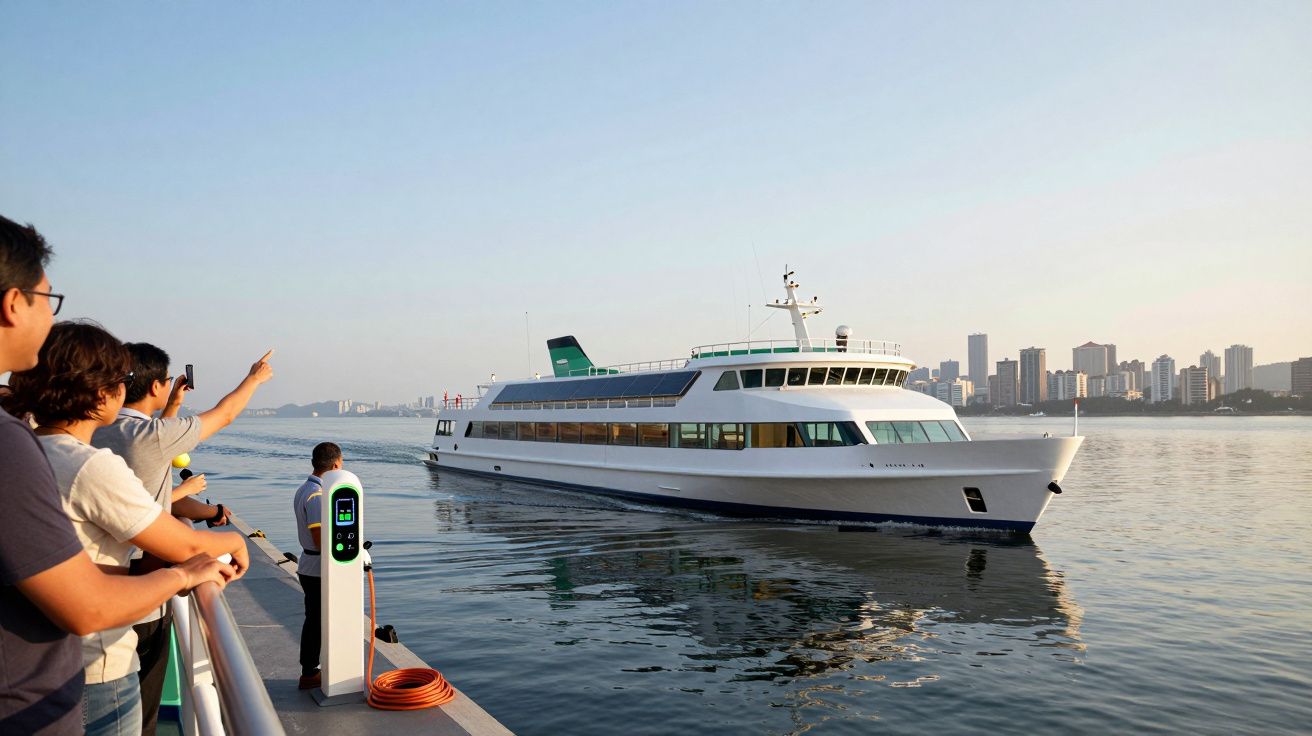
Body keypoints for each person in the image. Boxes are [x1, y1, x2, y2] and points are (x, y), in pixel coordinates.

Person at [0, 215, 234, 735]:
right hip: (72, 682)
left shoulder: (31, 443)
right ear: (13, 304)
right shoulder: (51, 456)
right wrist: (194, 565)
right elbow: (88, 604)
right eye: (47, 298)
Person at [91, 342, 273, 735]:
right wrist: (254, 378)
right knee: (141, 711)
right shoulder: (148, 436)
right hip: (144, 591)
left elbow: (153, 454)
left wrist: (172, 404)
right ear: (155, 385)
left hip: (94, 587)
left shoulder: (93, 431)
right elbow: (224, 414)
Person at [292, 442, 342, 690]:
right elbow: (320, 539)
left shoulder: (304, 488)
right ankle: (310, 671)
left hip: (308, 565)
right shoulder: (317, 496)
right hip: (317, 568)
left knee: (315, 619)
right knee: (316, 621)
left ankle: (313, 668)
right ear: (335, 465)